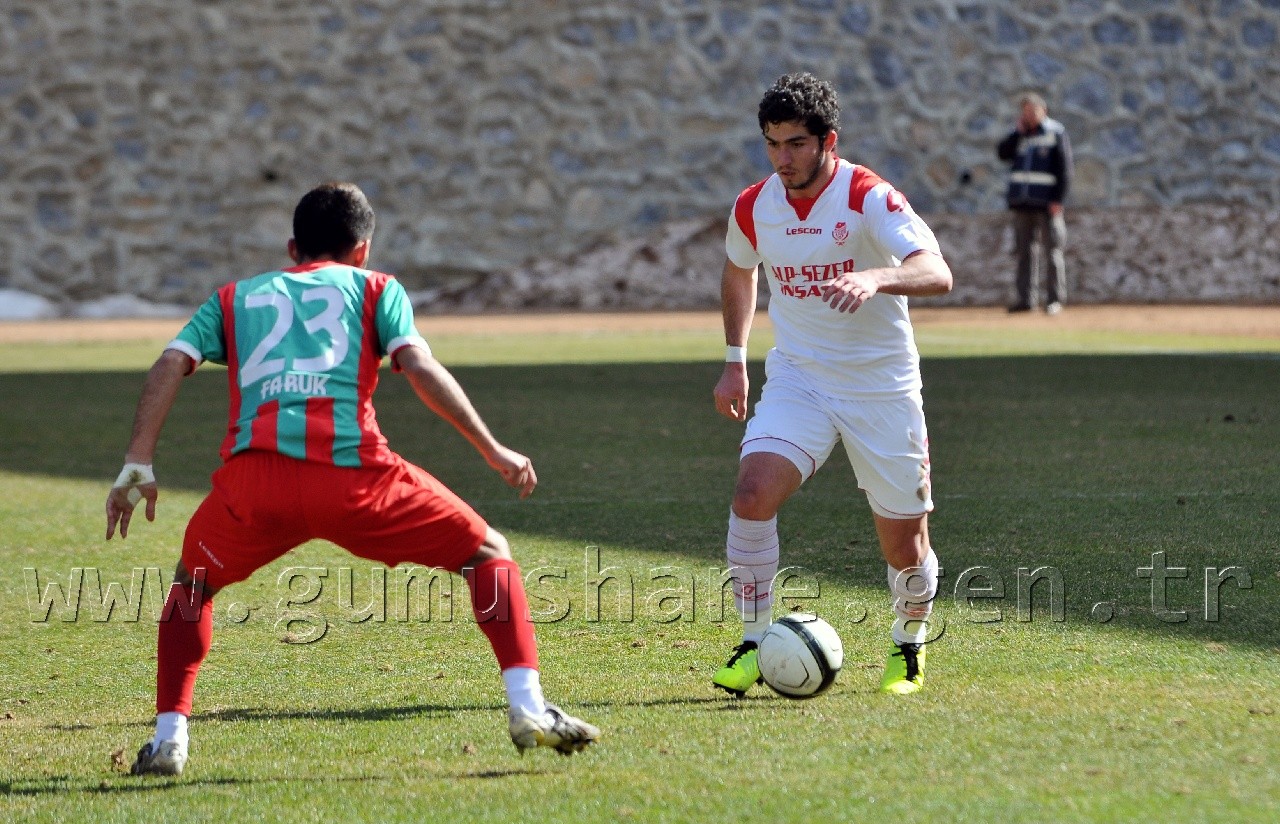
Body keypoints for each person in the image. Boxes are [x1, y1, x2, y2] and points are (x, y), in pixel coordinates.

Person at [106, 182, 599, 775]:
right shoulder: (376, 287)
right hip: (357, 480)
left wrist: (139, 459)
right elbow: (417, 365)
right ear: (363, 249)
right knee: (489, 552)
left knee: (193, 587)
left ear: (293, 247)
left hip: (254, 488)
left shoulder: (233, 298)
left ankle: (168, 742)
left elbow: (169, 363)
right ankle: (527, 709)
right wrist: (492, 449)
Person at [711, 73, 953, 698]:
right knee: (751, 494)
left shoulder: (868, 196)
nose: (782, 158)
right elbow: (740, 271)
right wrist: (735, 358)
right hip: (800, 378)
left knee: (905, 544)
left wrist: (875, 278)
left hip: (880, 387)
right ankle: (753, 640)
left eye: (795, 143)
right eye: (772, 144)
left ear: (828, 141)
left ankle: (908, 643)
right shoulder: (754, 204)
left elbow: (936, 271)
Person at [996, 91, 1073, 315]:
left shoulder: (1055, 133)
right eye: (1025, 112)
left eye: (1033, 111)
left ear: (1043, 111)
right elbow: (1002, 154)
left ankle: (1054, 300)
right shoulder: (1019, 135)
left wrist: (1058, 199)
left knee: (1052, 252)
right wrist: (1017, 134)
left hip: (1047, 204)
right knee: (1023, 253)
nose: (1029, 116)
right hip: (1022, 204)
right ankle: (1025, 299)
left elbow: (1065, 169)